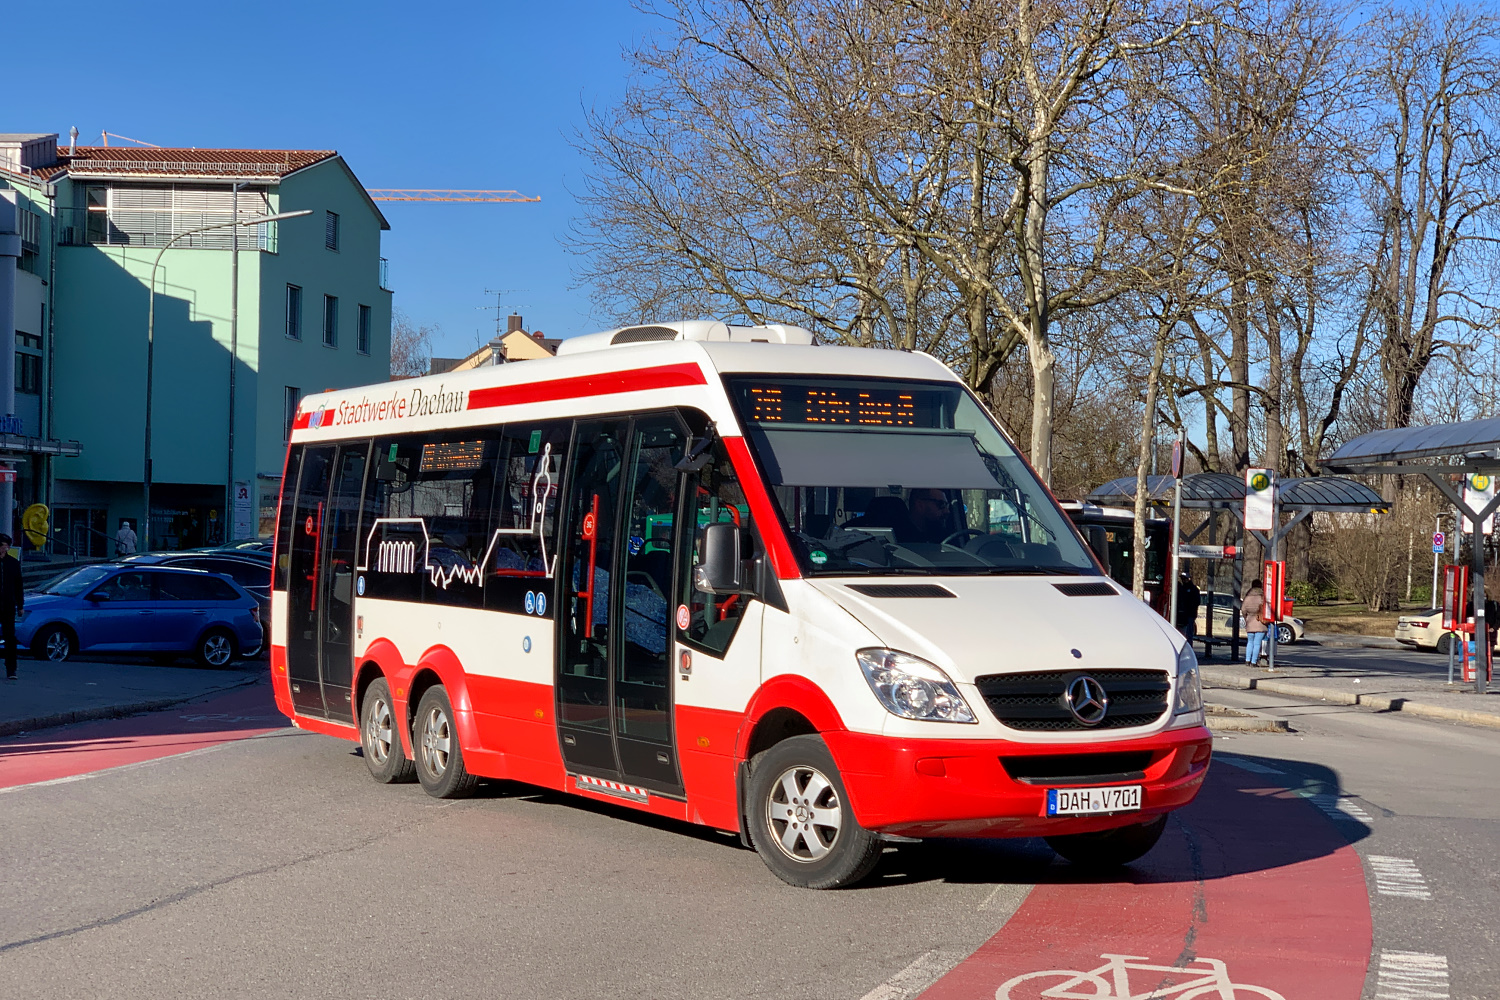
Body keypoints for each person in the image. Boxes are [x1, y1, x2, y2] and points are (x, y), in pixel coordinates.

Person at [0, 534, 23, 680]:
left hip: (8, 605)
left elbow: (18, 586)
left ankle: (11, 668)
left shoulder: (13, 563)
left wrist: (20, 605)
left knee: (10, 637)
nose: (2, 548)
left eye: (3, 545)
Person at [1242, 579, 1267, 664]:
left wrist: (1247, 618)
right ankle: (1254, 661)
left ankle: (1247, 660)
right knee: (1257, 643)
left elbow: (1243, 610)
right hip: (1260, 622)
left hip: (1250, 622)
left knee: (1250, 642)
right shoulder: (1262, 597)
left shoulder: (1247, 597)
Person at [1175, 571, 1200, 642]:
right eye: (1182, 579)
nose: (1183, 580)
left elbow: (1197, 602)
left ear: (1189, 579)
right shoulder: (1182, 589)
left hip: (1189, 614)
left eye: (1185, 579)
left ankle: (1189, 647)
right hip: (1182, 614)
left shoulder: (1193, 589)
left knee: (1188, 633)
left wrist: (1189, 607)